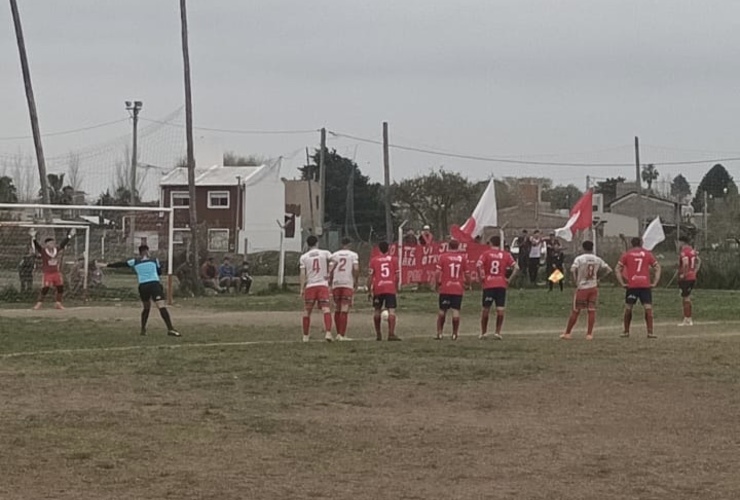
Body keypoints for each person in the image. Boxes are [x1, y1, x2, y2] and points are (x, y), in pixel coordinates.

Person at [106, 245, 181, 337]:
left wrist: (107, 265)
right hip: (154, 285)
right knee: (161, 306)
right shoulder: (154, 260)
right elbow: (159, 272)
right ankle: (170, 329)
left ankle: (143, 330)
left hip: (143, 286)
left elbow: (122, 264)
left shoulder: (135, 261)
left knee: (146, 308)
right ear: (147, 252)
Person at [560, 241, 612, 340]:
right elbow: (608, 269)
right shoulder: (597, 259)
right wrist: (599, 277)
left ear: (583, 248)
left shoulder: (580, 259)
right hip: (593, 287)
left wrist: (575, 281)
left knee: (576, 310)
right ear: (592, 248)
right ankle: (589, 334)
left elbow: (572, 270)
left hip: (582, 287)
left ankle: (567, 333)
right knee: (591, 310)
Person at [615, 237, 662, 339]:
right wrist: (655, 282)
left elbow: (617, 269)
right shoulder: (647, 254)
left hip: (632, 285)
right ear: (641, 243)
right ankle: (650, 332)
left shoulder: (627, 254)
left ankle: (626, 331)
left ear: (632, 244)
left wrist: (622, 283)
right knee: (648, 308)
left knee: (628, 308)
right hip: (645, 284)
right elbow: (657, 267)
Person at [477, 235, 518, 340]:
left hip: (489, 284)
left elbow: (478, 265)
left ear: (491, 243)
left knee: (486, 309)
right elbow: (516, 267)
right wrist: (509, 279)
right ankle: (498, 332)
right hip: (501, 284)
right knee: (500, 309)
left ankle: (484, 332)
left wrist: (481, 277)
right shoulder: (506, 255)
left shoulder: (486, 254)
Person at [31, 228, 76, 310]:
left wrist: (70, 236)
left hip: (56, 273)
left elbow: (62, 244)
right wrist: (33, 238)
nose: (53, 244)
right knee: (46, 288)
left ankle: (58, 303)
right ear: (47, 244)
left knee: (60, 288)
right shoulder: (44, 251)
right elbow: (38, 247)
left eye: (53, 242)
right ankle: (39, 304)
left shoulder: (55, 250)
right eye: (50, 243)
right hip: (48, 273)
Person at [299, 235, 333, 342]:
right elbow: (334, 261)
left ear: (307, 244)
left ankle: (305, 336)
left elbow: (302, 274)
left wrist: (301, 288)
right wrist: (329, 272)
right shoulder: (325, 253)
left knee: (307, 311)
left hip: (310, 286)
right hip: (322, 284)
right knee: (326, 309)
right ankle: (328, 333)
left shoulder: (304, 257)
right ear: (317, 243)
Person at [435, 239, 468, 340]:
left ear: (448, 246)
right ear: (458, 247)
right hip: (457, 287)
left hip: (446, 287)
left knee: (442, 310)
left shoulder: (443, 257)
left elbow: (437, 272)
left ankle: (440, 333)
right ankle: (454, 334)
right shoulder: (462, 258)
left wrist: (438, 283)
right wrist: (468, 283)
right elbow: (467, 273)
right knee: (456, 310)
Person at [368, 241, 401, 341]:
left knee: (377, 310)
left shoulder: (374, 260)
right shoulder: (394, 260)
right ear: (388, 249)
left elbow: (370, 276)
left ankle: (378, 334)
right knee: (391, 310)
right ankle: (391, 334)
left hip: (378, 287)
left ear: (379, 249)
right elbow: (397, 276)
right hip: (390, 287)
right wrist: (395, 287)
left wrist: (369, 290)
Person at [329, 237, 360, 340]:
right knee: (344, 308)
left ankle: (338, 333)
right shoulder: (353, 255)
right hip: (347, 283)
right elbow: (355, 268)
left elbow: (330, 269)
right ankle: (342, 334)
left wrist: (330, 281)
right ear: (350, 244)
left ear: (341, 244)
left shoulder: (334, 255)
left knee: (337, 308)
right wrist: (356, 280)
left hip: (336, 283)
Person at [677, 236, 701, 326]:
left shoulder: (684, 252)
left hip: (686, 278)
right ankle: (687, 317)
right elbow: (698, 261)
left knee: (686, 297)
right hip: (692, 277)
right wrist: (695, 271)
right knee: (686, 296)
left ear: (682, 242)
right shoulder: (692, 251)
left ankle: (688, 318)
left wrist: (684, 274)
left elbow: (686, 263)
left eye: (679, 242)